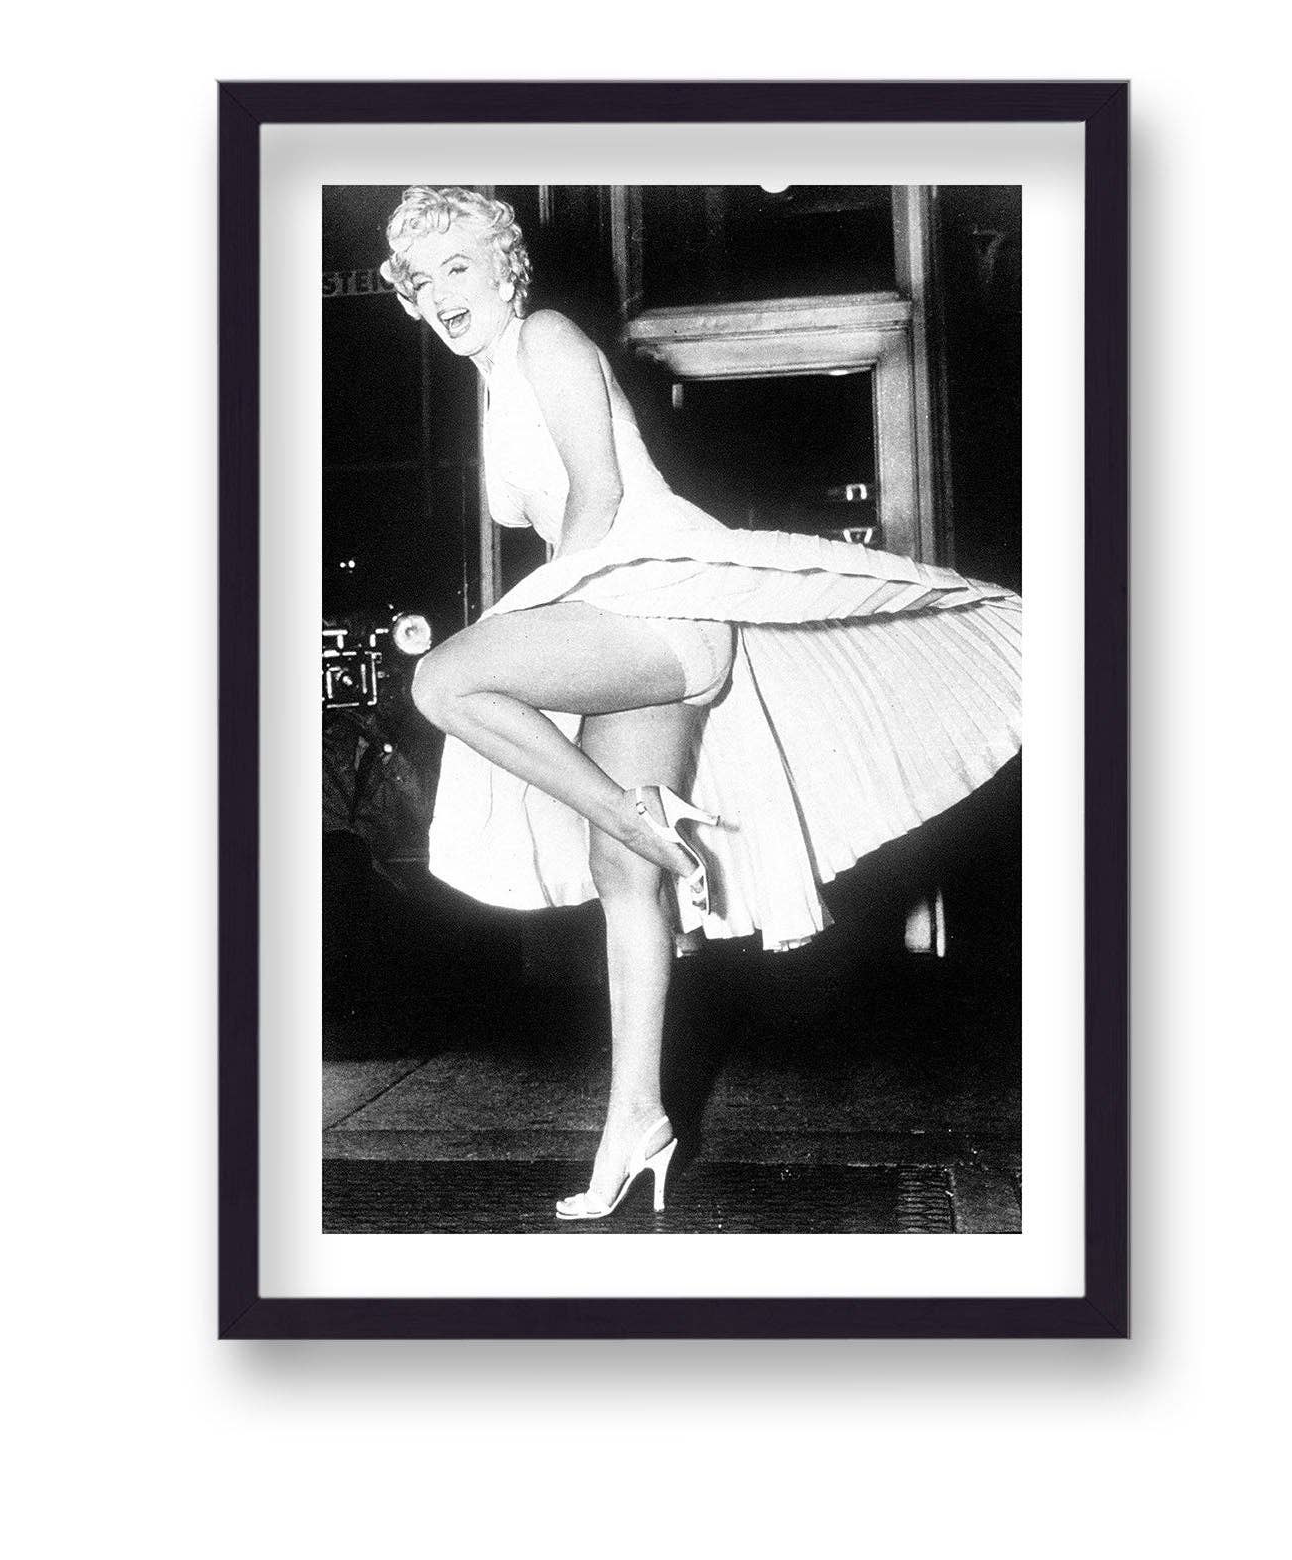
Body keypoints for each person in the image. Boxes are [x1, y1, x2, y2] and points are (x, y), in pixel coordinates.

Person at [380, 186, 1023, 1222]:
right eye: (422, 278)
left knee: (443, 679)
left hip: (656, 602)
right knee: (620, 875)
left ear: (505, 268)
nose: (442, 291)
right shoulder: (491, 381)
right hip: (627, 621)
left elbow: (597, 498)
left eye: (460, 264)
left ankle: (643, 819)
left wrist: (525, 628)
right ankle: (636, 1121)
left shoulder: (545, 337)